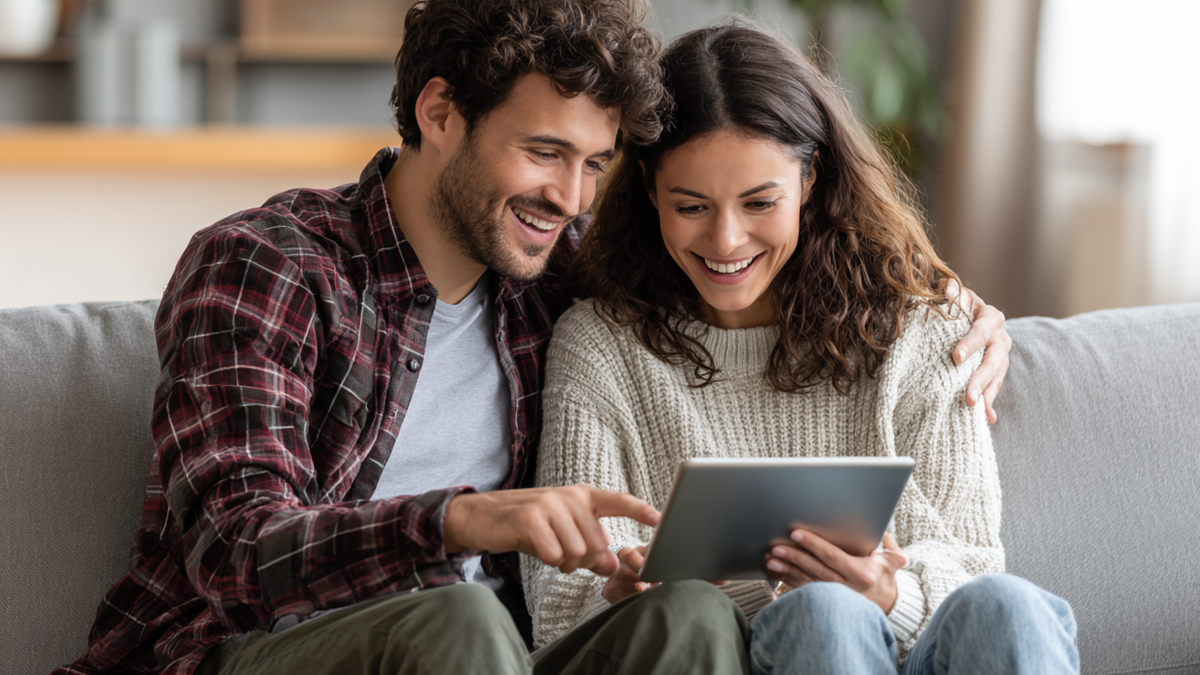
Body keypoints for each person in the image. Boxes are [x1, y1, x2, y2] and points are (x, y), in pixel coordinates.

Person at [53, 3, 1010, 674]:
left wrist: (949, 301)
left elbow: (751, 251)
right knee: (460, 616)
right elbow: (231, 548)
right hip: (267, 648)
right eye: (544, 151)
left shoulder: (552, 279)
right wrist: (460, 519)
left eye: (596, 164)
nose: (571, 195)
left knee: (688, 612)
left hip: (494, 656)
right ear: (439, 113)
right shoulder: (268, 266)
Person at [523, 21, 1076, 675]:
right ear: (649, 189)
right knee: (823, 613)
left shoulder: (925, 330)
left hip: (912, 647)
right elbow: (561, 610)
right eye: (692, 206)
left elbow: (973, 568)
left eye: (760, 202)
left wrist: (888, 593)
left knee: (1008, 606)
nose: (726, 241)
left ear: (810, 177)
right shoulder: (602, 346)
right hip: (738, 654)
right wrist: (623, 597)